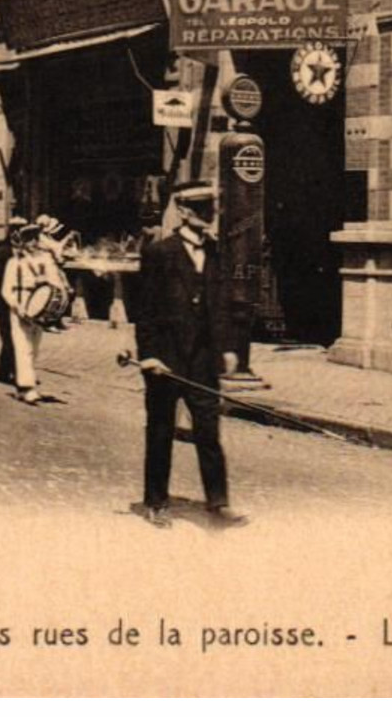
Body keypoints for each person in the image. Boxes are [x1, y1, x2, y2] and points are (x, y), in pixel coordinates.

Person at [129, 181, 247, 528]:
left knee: (208, 431)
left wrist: (227, 348)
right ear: (182, 212)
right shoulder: (159, 253)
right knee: (161, 430)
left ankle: (218, 503)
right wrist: (148, 355)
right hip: (165, 359)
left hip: (202, 360)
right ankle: (156, 501)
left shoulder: (215, 253)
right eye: (201, 210)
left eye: (210, 209)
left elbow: (220, 306)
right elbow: (145, 311)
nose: (208, 216)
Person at [0, 221, 54, 405]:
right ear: (22, 242)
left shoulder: (46, 261)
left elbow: (54, 284)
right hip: (21, 307)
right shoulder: (14, 263)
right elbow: (6, 290)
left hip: (39, 309)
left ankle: (23, 386)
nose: (33, 243)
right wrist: (17, 307)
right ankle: (27, 387)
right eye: (29, 239)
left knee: (34, 349)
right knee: (23, 347)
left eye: (35, 239)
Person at [0, 217, 27, 386]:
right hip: (3, 300)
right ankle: (15, 373)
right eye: (15, 229)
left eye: (21, 229)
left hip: (22, 300)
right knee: (8, 337)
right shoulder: (1, 252)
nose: (17, 232)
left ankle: (4, 372)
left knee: (16, 336)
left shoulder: (26, 253)